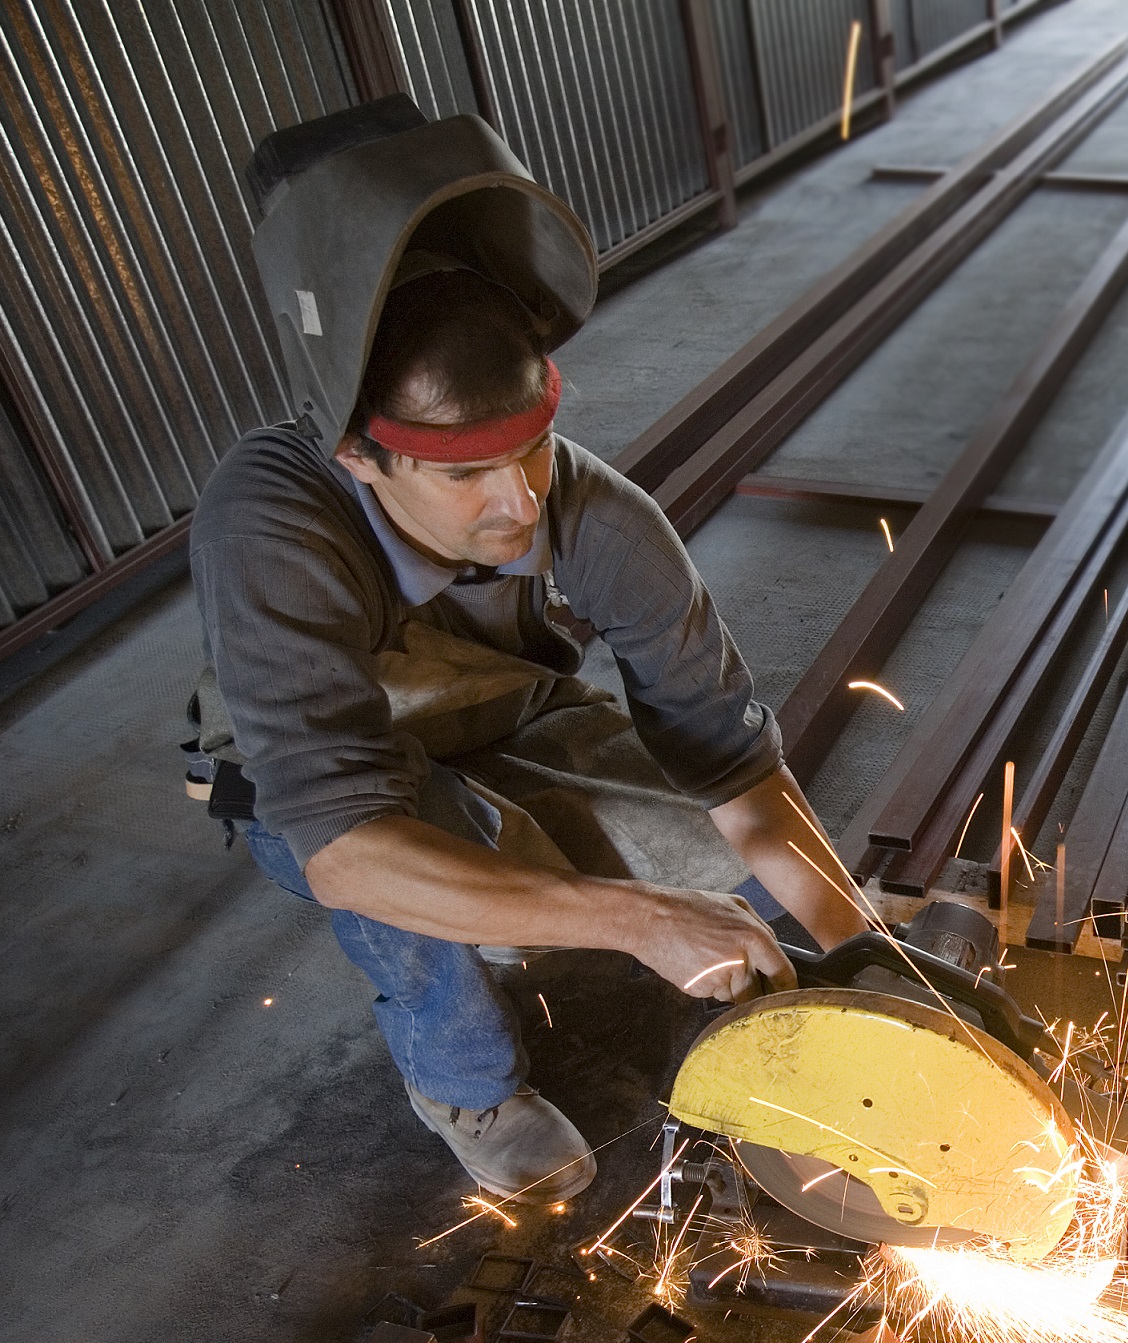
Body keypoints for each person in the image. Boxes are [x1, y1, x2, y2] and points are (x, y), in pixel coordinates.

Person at [191, 102, 870, 1205]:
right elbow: (348, 850)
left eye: (533, 451)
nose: (519, 505)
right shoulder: (267, 523)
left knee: (684, 842)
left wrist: (873, 966)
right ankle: (467, 1087)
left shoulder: (596, 511)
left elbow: (738, 776)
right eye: (466, 478)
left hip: (505, 711)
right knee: (425, 891)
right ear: (364, 457)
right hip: (322, 786)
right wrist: (639, 921)